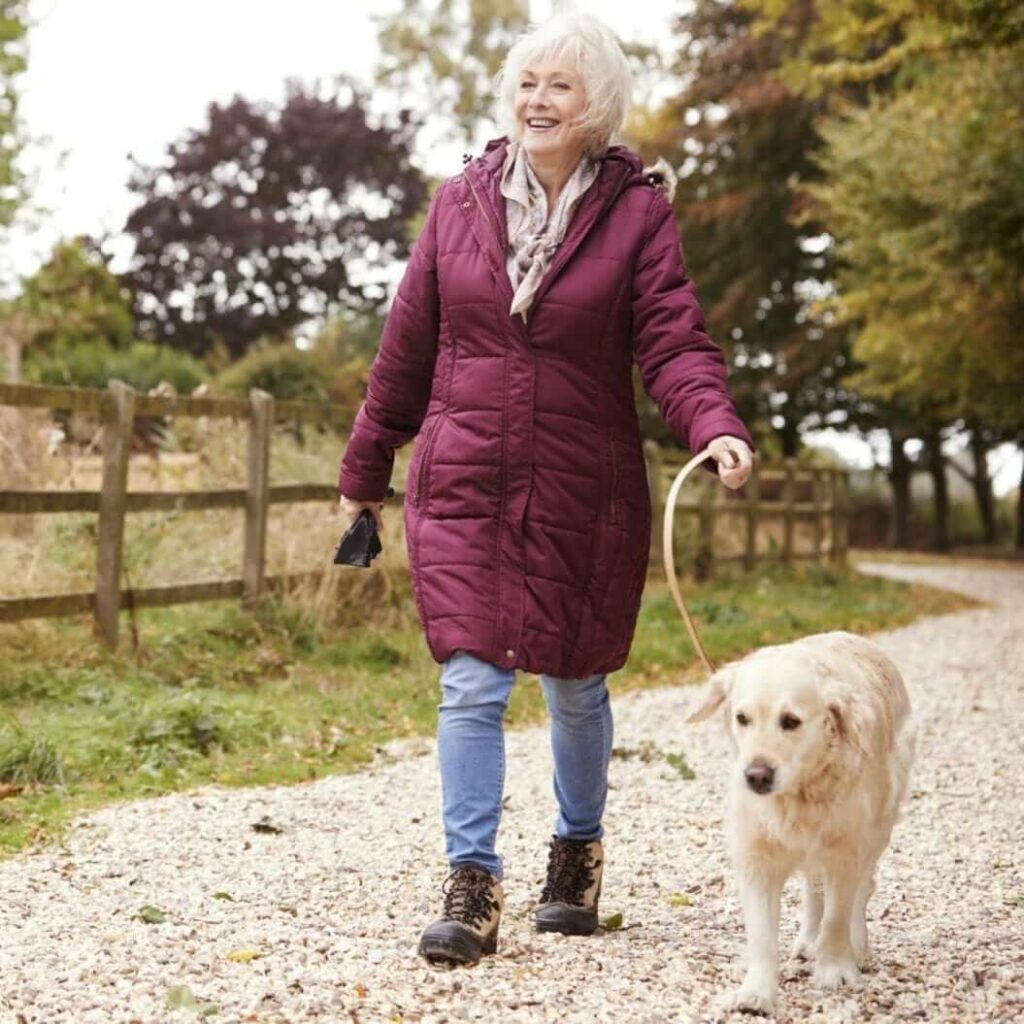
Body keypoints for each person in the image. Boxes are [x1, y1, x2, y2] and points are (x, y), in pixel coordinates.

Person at [337, 11, 754, 966]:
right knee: (472, 681)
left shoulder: (639, 214)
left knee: (574, 679)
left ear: (596, 105)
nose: (538, 100)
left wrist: (715, 425)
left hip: (581, 486)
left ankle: (575, 856)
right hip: (465, 479)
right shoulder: (460, 204)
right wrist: (365, 471)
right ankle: (472, 880)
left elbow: (674, 341)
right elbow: (404, 349)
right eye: (528, 83)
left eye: (560, 86)